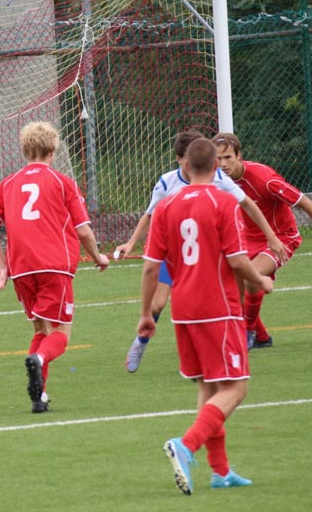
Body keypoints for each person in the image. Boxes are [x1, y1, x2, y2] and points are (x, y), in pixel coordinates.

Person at [138, 137, 274, 495]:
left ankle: (220, 471)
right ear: (216, 166)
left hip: (183, 311)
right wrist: (261, 279)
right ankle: (186, 445)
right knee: (236, 387)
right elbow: (237, 260)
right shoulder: (224, 202)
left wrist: (145, 314)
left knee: (208, 387)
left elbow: (151, 267)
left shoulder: (167, 206)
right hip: (218, 308)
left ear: (185, 165)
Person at [114, 129, 285, 372]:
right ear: (180, 159)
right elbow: (150, 214)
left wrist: (271, 237)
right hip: (173, 253)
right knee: (157, 304)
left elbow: (247, 203)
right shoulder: (167, 182)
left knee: (226, 292)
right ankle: (140, 342)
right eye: (189, 156)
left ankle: (239, 333)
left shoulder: (218, 179)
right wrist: (131, 243)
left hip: (206, 252)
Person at [0, 121, 109, 413]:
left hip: (21, 268)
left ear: (24, 150)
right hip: (54, 265)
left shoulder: (6, 185)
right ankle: (39, 360)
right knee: (61, 333)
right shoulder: (63, 182)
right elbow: (83, 230)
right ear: (53, 150)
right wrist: (97, 257)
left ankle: (39, 398)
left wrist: (2, 266)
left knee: (41, 328)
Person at [213, 132, 312, 349]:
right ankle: (261, 337)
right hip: (244, 239)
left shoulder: (265, 179)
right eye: (218, 158)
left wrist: (274, 239)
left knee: (252, 279)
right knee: (231, 287)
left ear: (239, 156)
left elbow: (303, 201)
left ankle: (248, 330)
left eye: (228, 157)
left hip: (281, 238)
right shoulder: (215, 180)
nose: (222, 164)